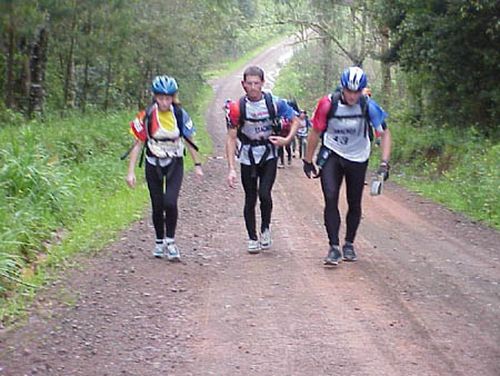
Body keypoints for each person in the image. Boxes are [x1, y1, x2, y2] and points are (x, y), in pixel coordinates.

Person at [302, 66, 392, 266]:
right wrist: (307, 161)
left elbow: (384, 133)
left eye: (356, 91)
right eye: (349, 91)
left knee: (354, 201)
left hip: (358, 156)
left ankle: (349, 243)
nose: (352, 96)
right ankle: (333, 247)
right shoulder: (327, 104)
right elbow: (315, 133)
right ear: (342, 88)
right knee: (331, 197)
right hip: (333, 154)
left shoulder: (368, 106)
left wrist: (385, 162)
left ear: (362, 90)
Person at [126, 75, 203, 261]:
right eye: (160, 97)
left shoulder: (180, 114)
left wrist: (198, 165)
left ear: (173, 97)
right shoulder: (146, 115)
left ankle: (171, 241)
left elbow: (190, 140)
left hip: (175, 162)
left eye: (168, 98)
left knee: (170, 202)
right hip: (153, 163)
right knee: (157, 204)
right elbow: (137, 144)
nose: (164, 102)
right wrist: (130, 172)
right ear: (155, 96)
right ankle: (159, 241)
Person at [226, 66, 299, 254]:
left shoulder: (274, 103)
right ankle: (252, 237)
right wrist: (231, 168)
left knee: (265, 194)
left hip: (269, 154)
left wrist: (287, 139)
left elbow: (296, 120)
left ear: (262, 83)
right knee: (250, 198)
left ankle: (265, 229)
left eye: (256, 83)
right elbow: (231, 137)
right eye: (249, 83)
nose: (252, 87)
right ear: (243, 85)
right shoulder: (237, 108)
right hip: (247, 156)